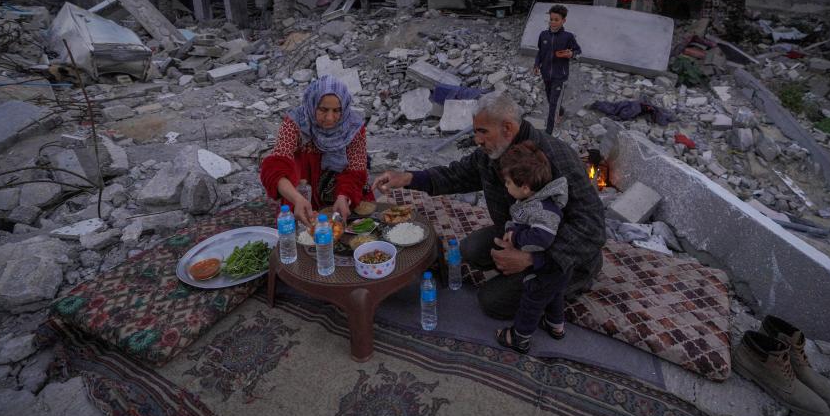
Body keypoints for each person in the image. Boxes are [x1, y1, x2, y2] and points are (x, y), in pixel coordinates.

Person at [372, 92, 605, 322]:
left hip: (560, 253)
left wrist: (532, 261)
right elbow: (456, 175)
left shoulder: (556, 158)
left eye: (482, 132)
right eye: (475, 132)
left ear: (507, 128)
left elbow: (592, 229)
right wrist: (408, 178)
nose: (477, 140)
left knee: (491, 301)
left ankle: (567, 285)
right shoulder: (493, 153)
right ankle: (522, 271)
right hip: (521, 233)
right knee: (471, 250)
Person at [259, 75, 371, 225]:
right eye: (323, 109)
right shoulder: (296, 123)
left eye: (337, 110)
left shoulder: (353, 127)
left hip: (341, 186)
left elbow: (355, 170)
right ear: (312, 104)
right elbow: (275, 169)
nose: (330, 118)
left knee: (355, 227)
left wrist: (344, 196)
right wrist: (297, 199)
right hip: (304, 188)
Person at [495, 140, 569, 353]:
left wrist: (516, 237)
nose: (506, 186)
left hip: (548, 267)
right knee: (554, 294)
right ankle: (556, 326)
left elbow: (542, 238)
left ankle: (519, 338)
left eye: (508, 183)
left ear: (525, 187)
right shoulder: (533, 200)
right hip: (557, 268)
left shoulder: (544, 209)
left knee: (532, 301)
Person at [533, 4, 582, 135]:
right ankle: (561, 111)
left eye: (556, 20)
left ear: (563, 21)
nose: (553, 22)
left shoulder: (568, 37)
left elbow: (578, 51)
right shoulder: (543, 35)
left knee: (553, 104)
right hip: (546, 74)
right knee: (550, 99)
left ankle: (548, 132)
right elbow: (540, 52)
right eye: (551, 19)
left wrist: (571, 54)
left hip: (560, 76)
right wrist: (537, 65)